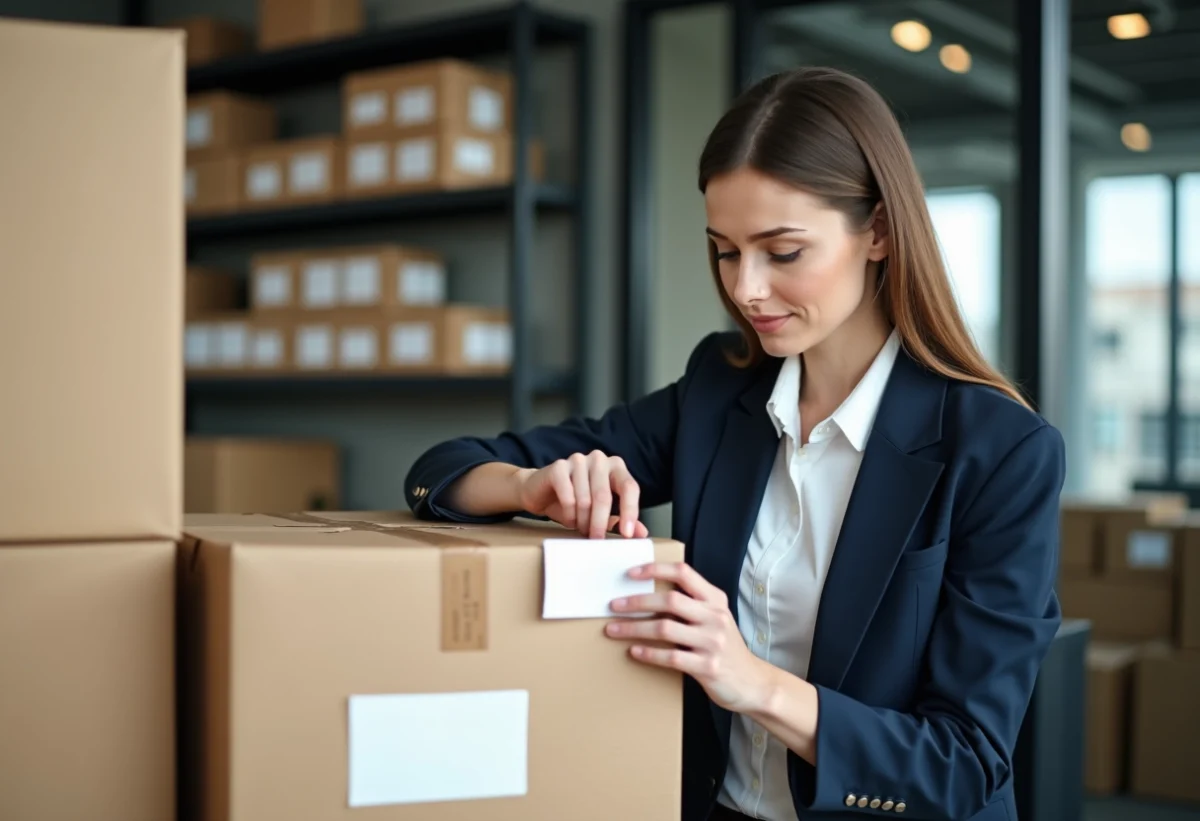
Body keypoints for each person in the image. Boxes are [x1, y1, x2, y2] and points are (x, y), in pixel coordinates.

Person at [405, 66, 1065, 821]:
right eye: (725, 250)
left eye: (782, 252)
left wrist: (751, 680)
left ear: (878, 231)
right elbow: (441, 469)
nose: (747, 288)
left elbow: (966, 762)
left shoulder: (1001, 451)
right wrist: (531, 486)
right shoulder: (719, 391)